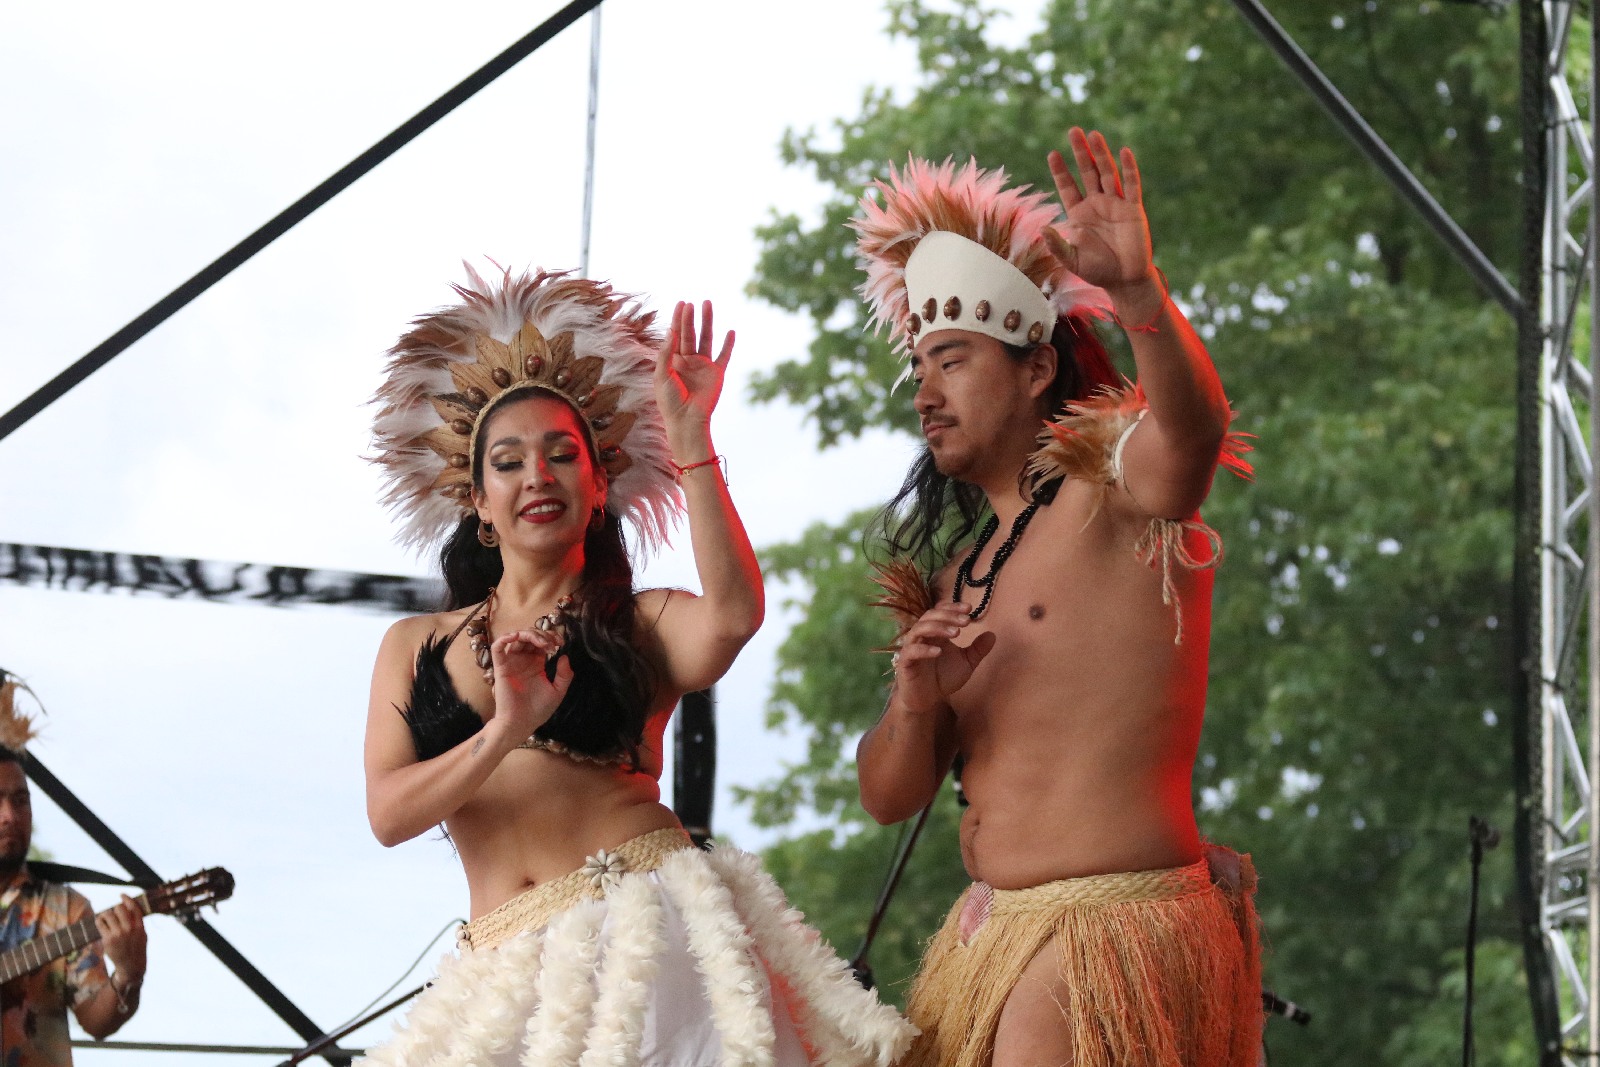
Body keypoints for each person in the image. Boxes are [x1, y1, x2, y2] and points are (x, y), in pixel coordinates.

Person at [361, 265, 914, 1067]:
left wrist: (693, 445)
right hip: (502, 979)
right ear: (477, 499)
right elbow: (388, 814)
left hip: (644, 941)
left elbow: (733, 617)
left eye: (562, 454)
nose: (537, 475)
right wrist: (507, 728)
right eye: (508, 462)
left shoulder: (639, 620)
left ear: (598, 486)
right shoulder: (415, 645)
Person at [852, 129, 1261, 1067]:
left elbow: (1193, 436)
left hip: (1107, 931)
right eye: (921, 368)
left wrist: (1137, 293)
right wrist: (914, 702)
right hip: (993, 937)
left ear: (1036, 368)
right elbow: (887, 796)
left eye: (953, 360)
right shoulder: (958, 581)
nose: (926, 394)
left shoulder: (1112, 493)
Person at [0, 680, 146, 1067]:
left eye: (20, 800)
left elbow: (97, 1021)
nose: (10, 816)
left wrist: (128, 974)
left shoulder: (65, 909)